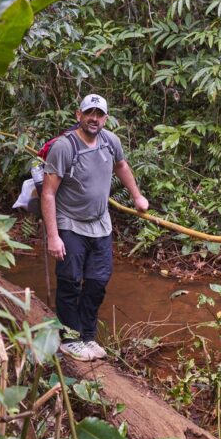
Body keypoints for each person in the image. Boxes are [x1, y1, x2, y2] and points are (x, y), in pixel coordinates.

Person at [41, 94, 148, 361]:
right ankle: (70, 338)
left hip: (101, 224)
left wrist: (136, 196)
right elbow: (48, 193)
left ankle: (87, 335)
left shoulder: (111, 142)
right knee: (69, 281)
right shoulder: (65, 147)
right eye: (90, 113)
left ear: (106, 119)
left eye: (99, 114)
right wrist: (53, 236)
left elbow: (121, 165)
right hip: (70, 223)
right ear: (79, 115)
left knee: (98, 282)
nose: (94, 118)